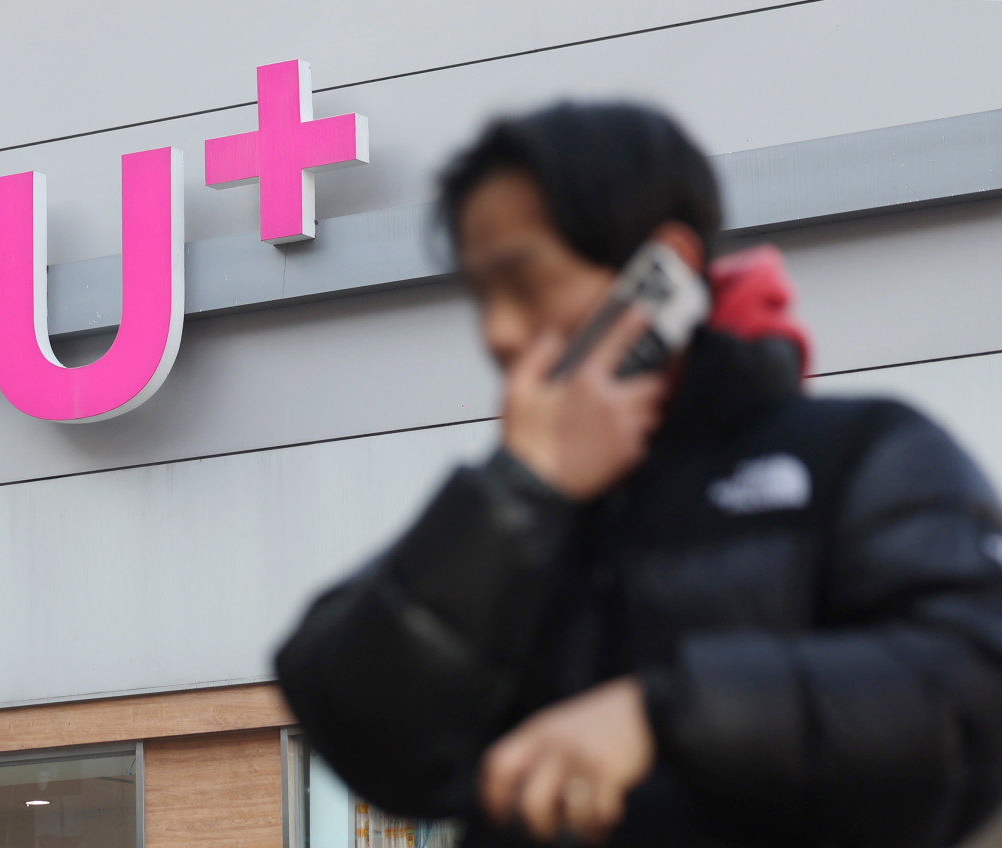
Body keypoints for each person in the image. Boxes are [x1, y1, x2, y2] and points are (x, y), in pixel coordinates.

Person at [273, 102, 1002, 848]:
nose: (498, 332)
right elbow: (352, 718)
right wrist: (522, 490)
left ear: (663, 270)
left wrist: (664, 712)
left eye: (524, 284)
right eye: (483, 296)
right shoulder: (509, 515)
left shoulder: (861, 453)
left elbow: (972, 690)